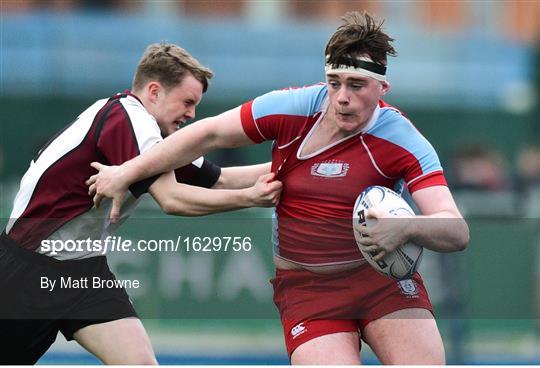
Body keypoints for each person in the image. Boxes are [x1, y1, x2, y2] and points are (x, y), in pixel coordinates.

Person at [89, 13, 469, 365]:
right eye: (334, 83)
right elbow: (206, 134)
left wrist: (406, 227)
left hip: (382, 283)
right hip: (309, 291)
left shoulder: (403, 139)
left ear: (383, 87)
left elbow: (455, 229)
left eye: (357, 85)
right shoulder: (293, 108)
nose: (342, 97)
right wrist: (127, 172)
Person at [0, 43, 281, 365]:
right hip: (29, 270)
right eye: (187, 102)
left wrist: (296, 164)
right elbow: (173, 200)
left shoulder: (150, 136)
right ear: (154, 91)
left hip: (86, 271)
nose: (191, 114)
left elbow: (219, 178)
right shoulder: (130, 119)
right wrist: (250, 199)